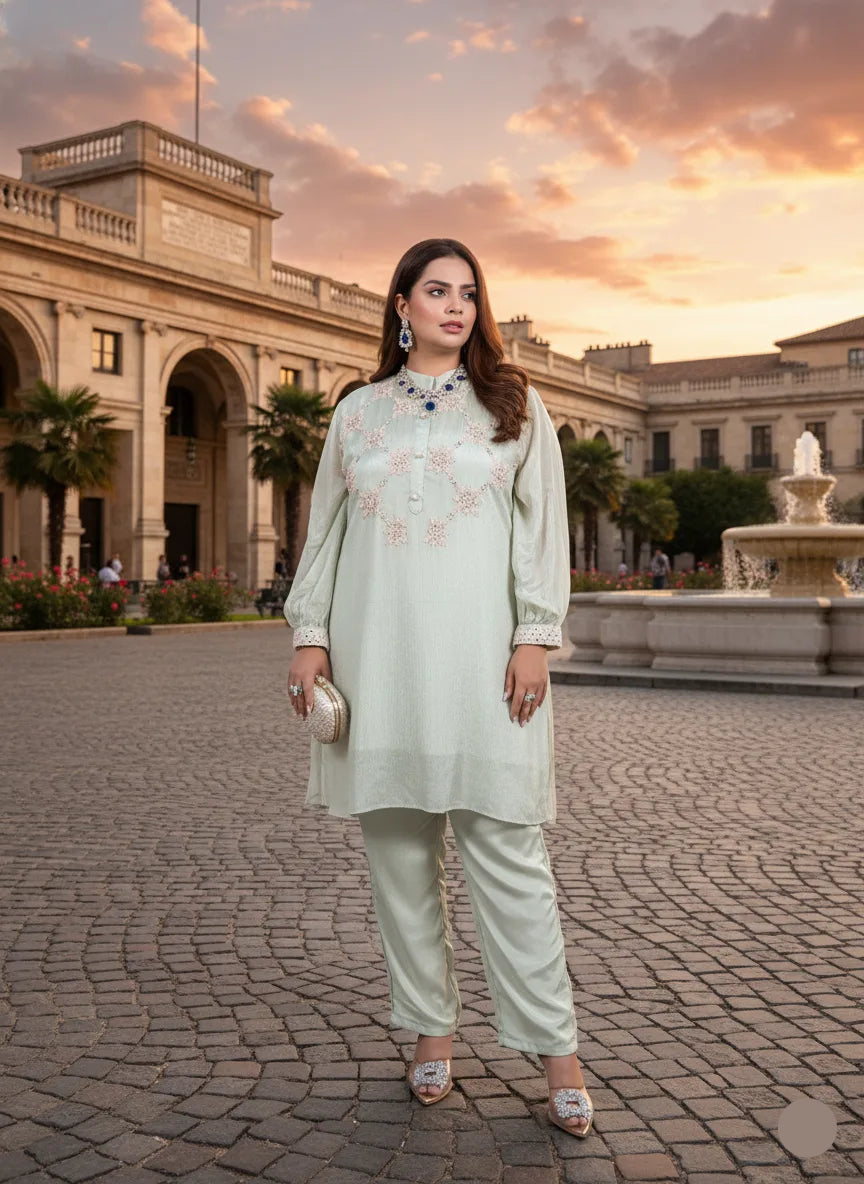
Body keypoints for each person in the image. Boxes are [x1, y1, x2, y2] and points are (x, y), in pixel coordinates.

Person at [285, 238, 593, 1138]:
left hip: (486, 667)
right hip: (378, 664)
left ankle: (558, 1051)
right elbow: (326, 537)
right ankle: (430, 1033)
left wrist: (535, 634)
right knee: (400, 866)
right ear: (401, 305)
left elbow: (544, 532)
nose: (455, 307)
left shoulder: (514, 407)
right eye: (436, 291)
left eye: (468, 294)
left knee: (511, 861)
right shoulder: (357, 415)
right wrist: (310, 637)